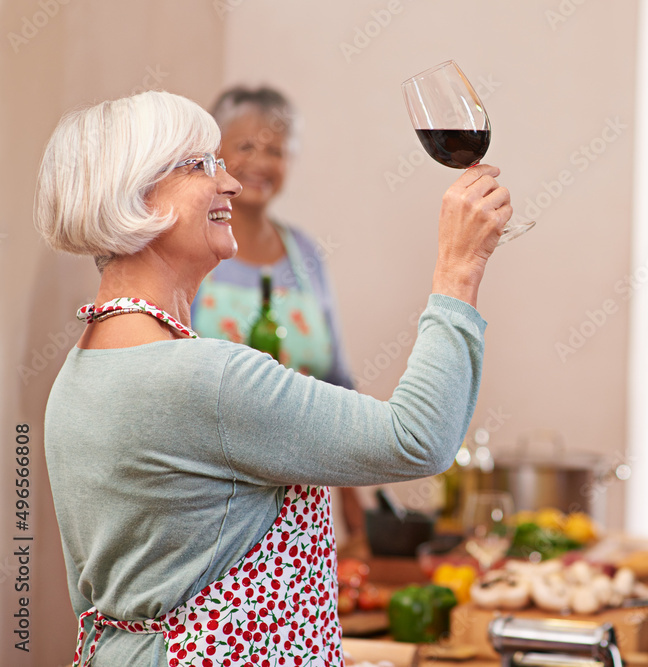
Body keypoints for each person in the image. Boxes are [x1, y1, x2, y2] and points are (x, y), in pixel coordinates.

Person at [36, 90, 511, 666]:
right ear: (137, 195)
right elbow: (417, 438)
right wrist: (458, 270)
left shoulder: (76, 375)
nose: (230, 183)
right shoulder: (207, 379)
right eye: (201, 165)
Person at [189, 85, 362, 542]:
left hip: (304, 505)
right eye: (246, 146)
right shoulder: (192, 248)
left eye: (276, 150)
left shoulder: (304, 253)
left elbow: (338, 382)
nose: (262, 162)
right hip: (211, 502)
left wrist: (356, 512)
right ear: (214, 154)